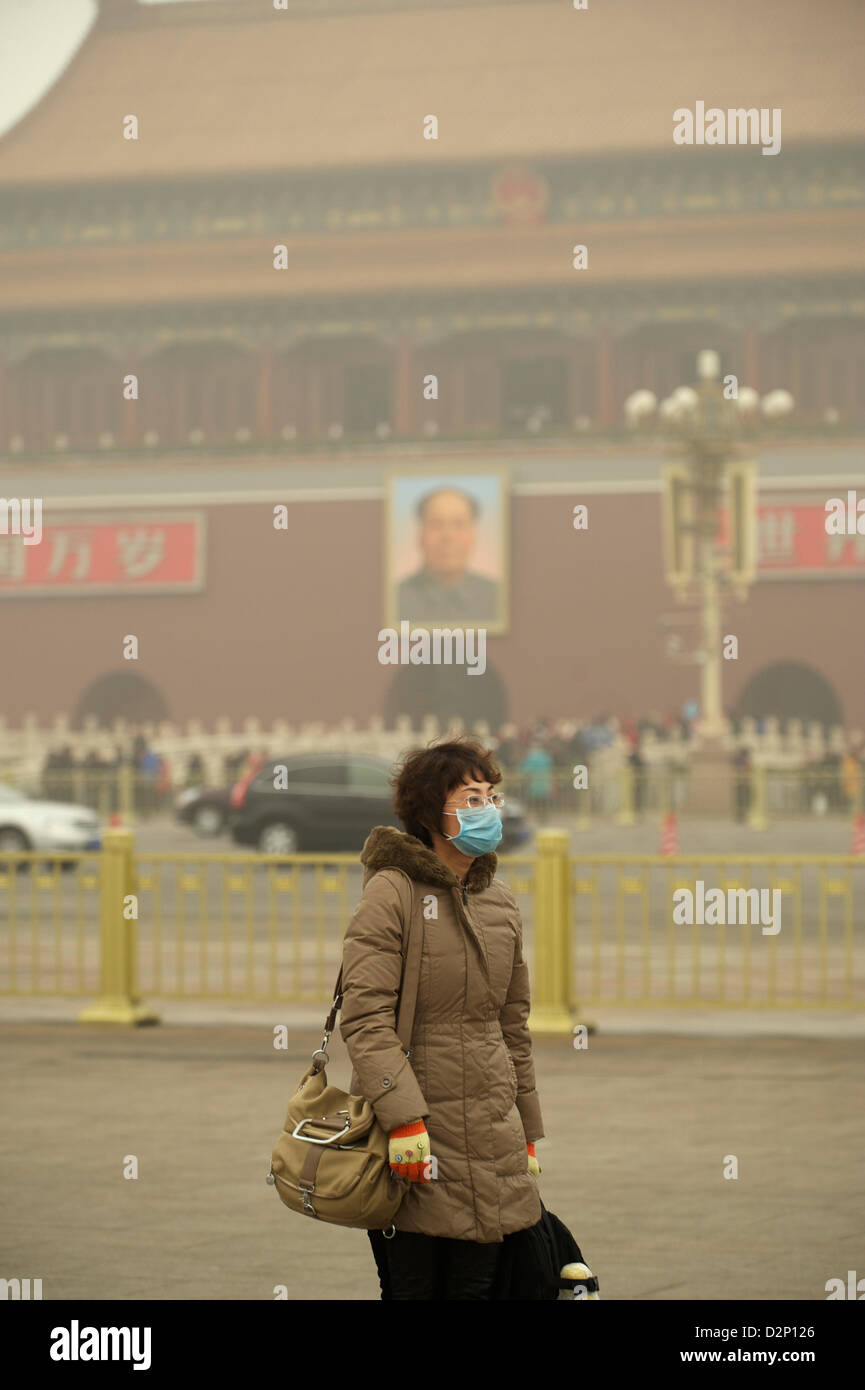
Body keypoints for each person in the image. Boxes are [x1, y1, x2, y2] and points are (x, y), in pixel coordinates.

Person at [339, 736, 544, 1300]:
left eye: (492, 797)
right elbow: (366, 1019)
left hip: (492, 1136)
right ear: (432, 813)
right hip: (414, 1142)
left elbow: (512, 1026)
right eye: (471, 798)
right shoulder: (392, 893)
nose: (488, 810)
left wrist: (527, 1132)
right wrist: (404, 1121)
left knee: (480, 1290)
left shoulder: (498, 901)